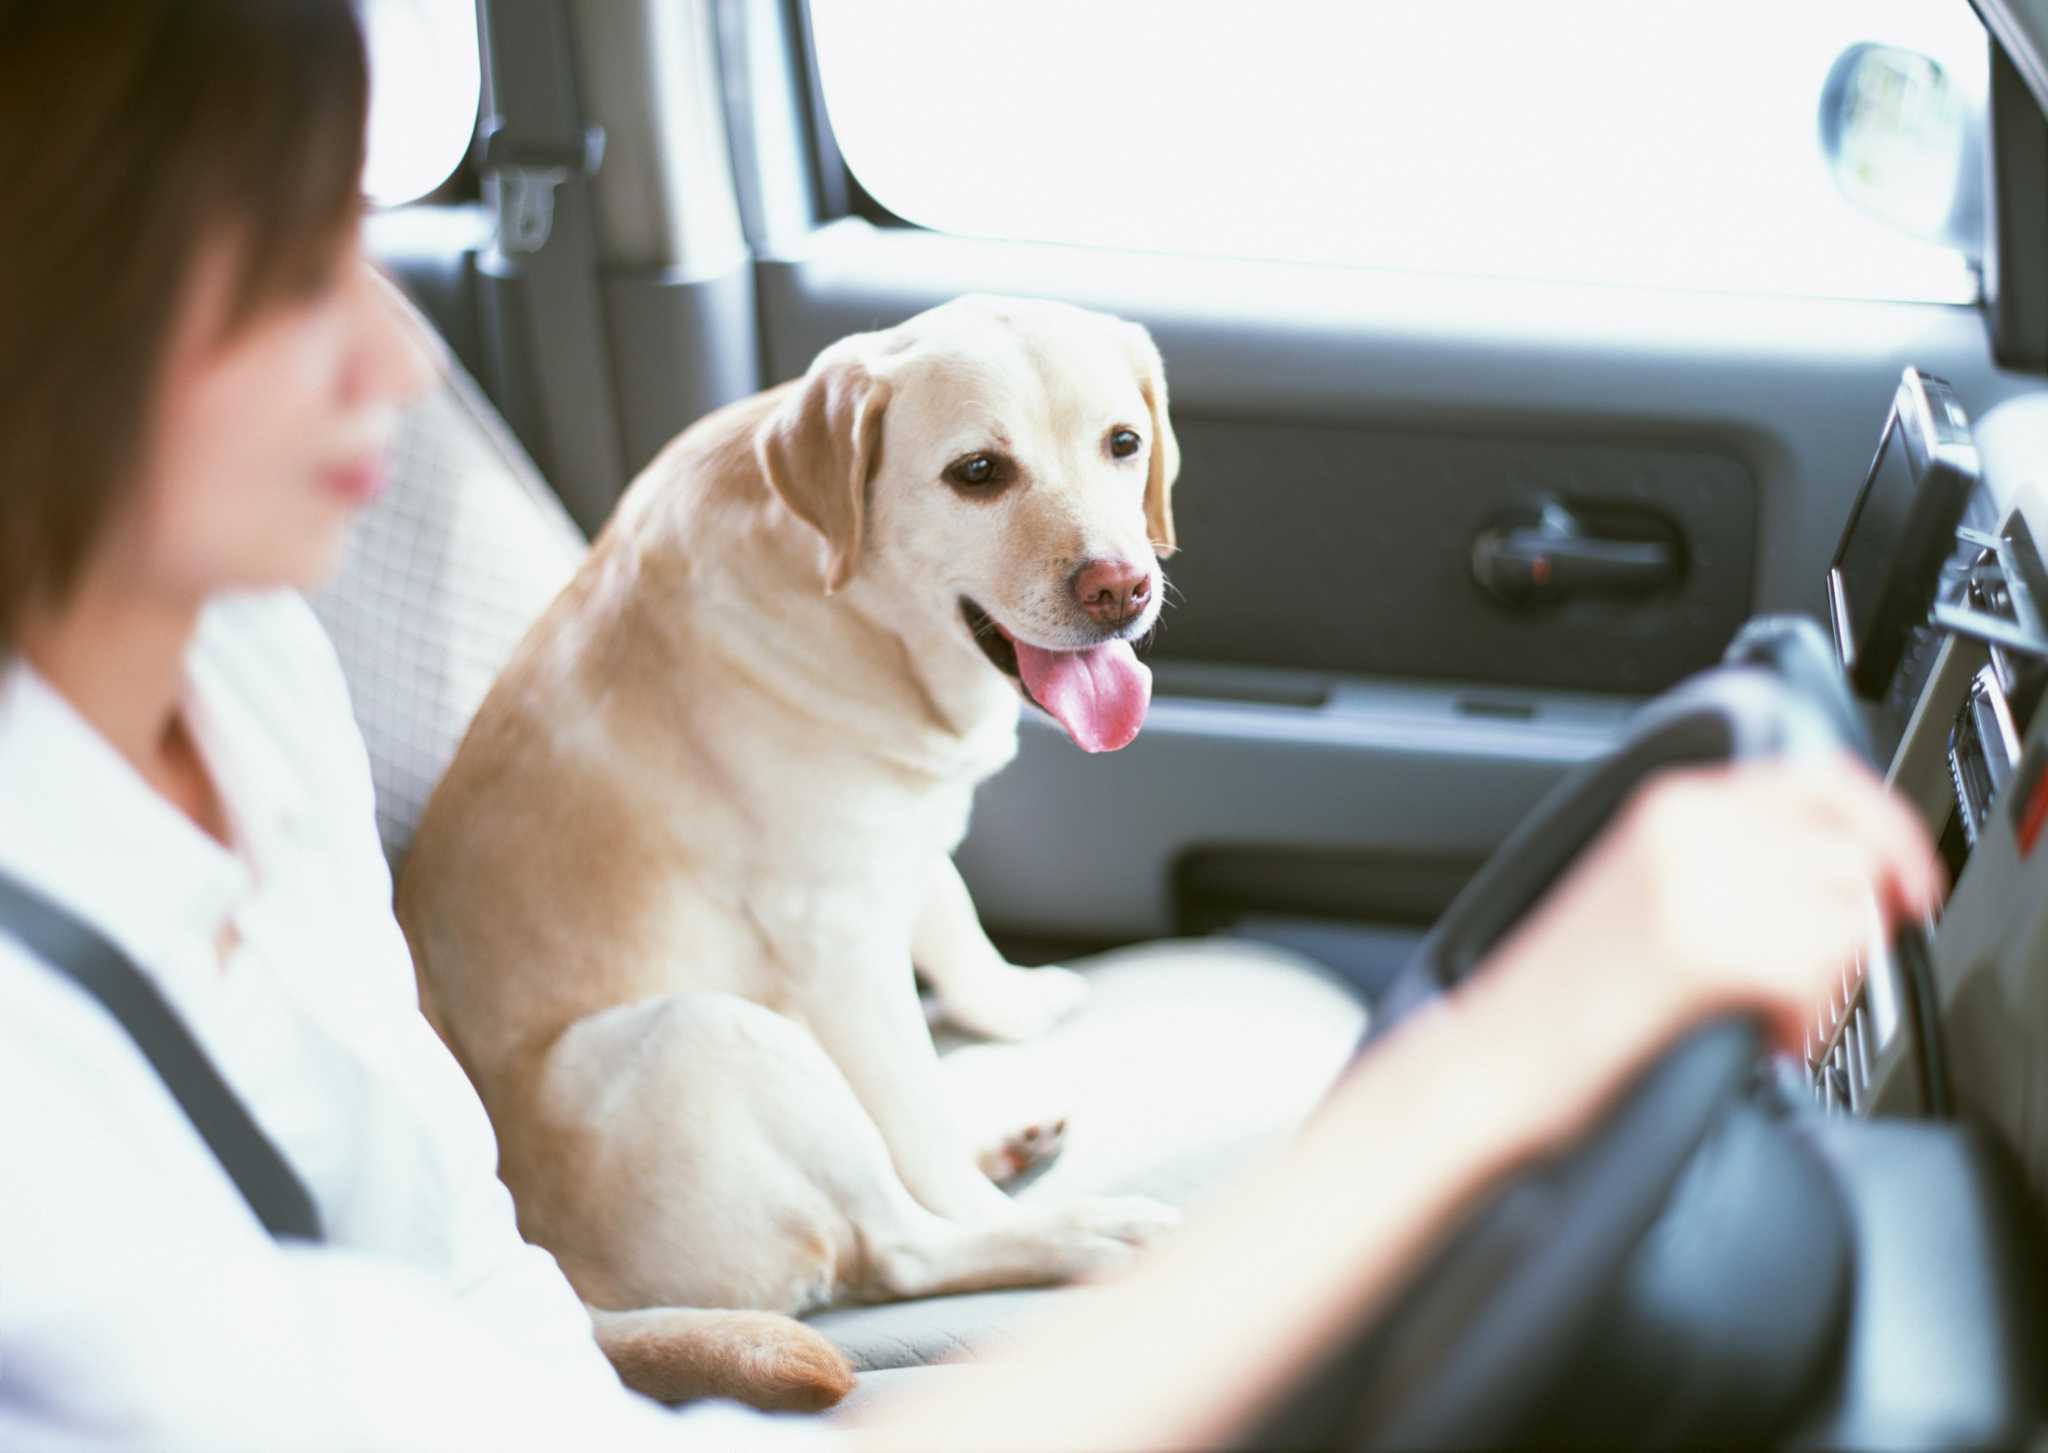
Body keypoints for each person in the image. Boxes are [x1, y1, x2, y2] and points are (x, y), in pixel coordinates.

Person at [0, 2, 1943, 1449]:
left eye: (353, 236)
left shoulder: (242, 667)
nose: (394, 354)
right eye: (273, 286)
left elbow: (458, 1242)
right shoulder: (44, 1133)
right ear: (49, 330)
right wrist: (1501, 1068)